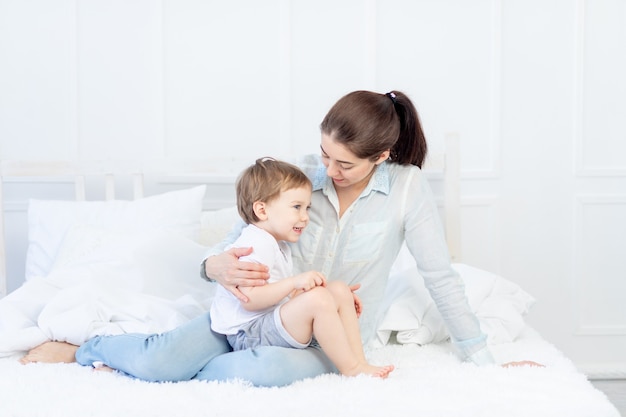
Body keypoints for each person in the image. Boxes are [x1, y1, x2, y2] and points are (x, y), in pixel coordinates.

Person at [21, 89, 540, 386]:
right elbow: (233, 241)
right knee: (160, 359)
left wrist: (483, 360)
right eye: (323, 153)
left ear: (381, 157)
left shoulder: (407, 190)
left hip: (326, 331)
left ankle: (187, 367)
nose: (328, 169)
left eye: (345, 163)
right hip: (251, 314)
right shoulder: (301, 179)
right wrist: (215, 266)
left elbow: (440, 277)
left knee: (268, 370)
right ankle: (87, 348)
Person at [210, 157, 393, 378]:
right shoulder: (255, 244)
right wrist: (295, 283)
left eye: (307, 208)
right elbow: (250, 300)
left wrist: (310, 290)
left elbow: (275, 292)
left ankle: (359, 361)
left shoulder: (277, 244)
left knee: (338, 289)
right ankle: (351, 369)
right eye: (296, 207)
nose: (305, 218)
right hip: (248, 334)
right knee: (319, 299)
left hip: (266, 321)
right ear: (262, 210)